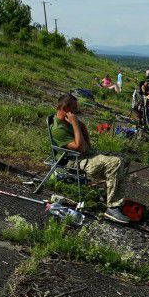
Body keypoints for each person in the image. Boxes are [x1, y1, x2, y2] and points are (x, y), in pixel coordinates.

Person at [51, 93, 129, 223]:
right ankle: (112, 207)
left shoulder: (68, 121)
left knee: (124, 158)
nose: (77, 112)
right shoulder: (58, 129)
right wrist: (75, 124)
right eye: (74, 109)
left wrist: (80, 125)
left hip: (84, 155)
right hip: (73, 161)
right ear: (65, 109)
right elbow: (80, 148)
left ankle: (111, 192)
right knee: (115, 162)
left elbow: (87, 146)